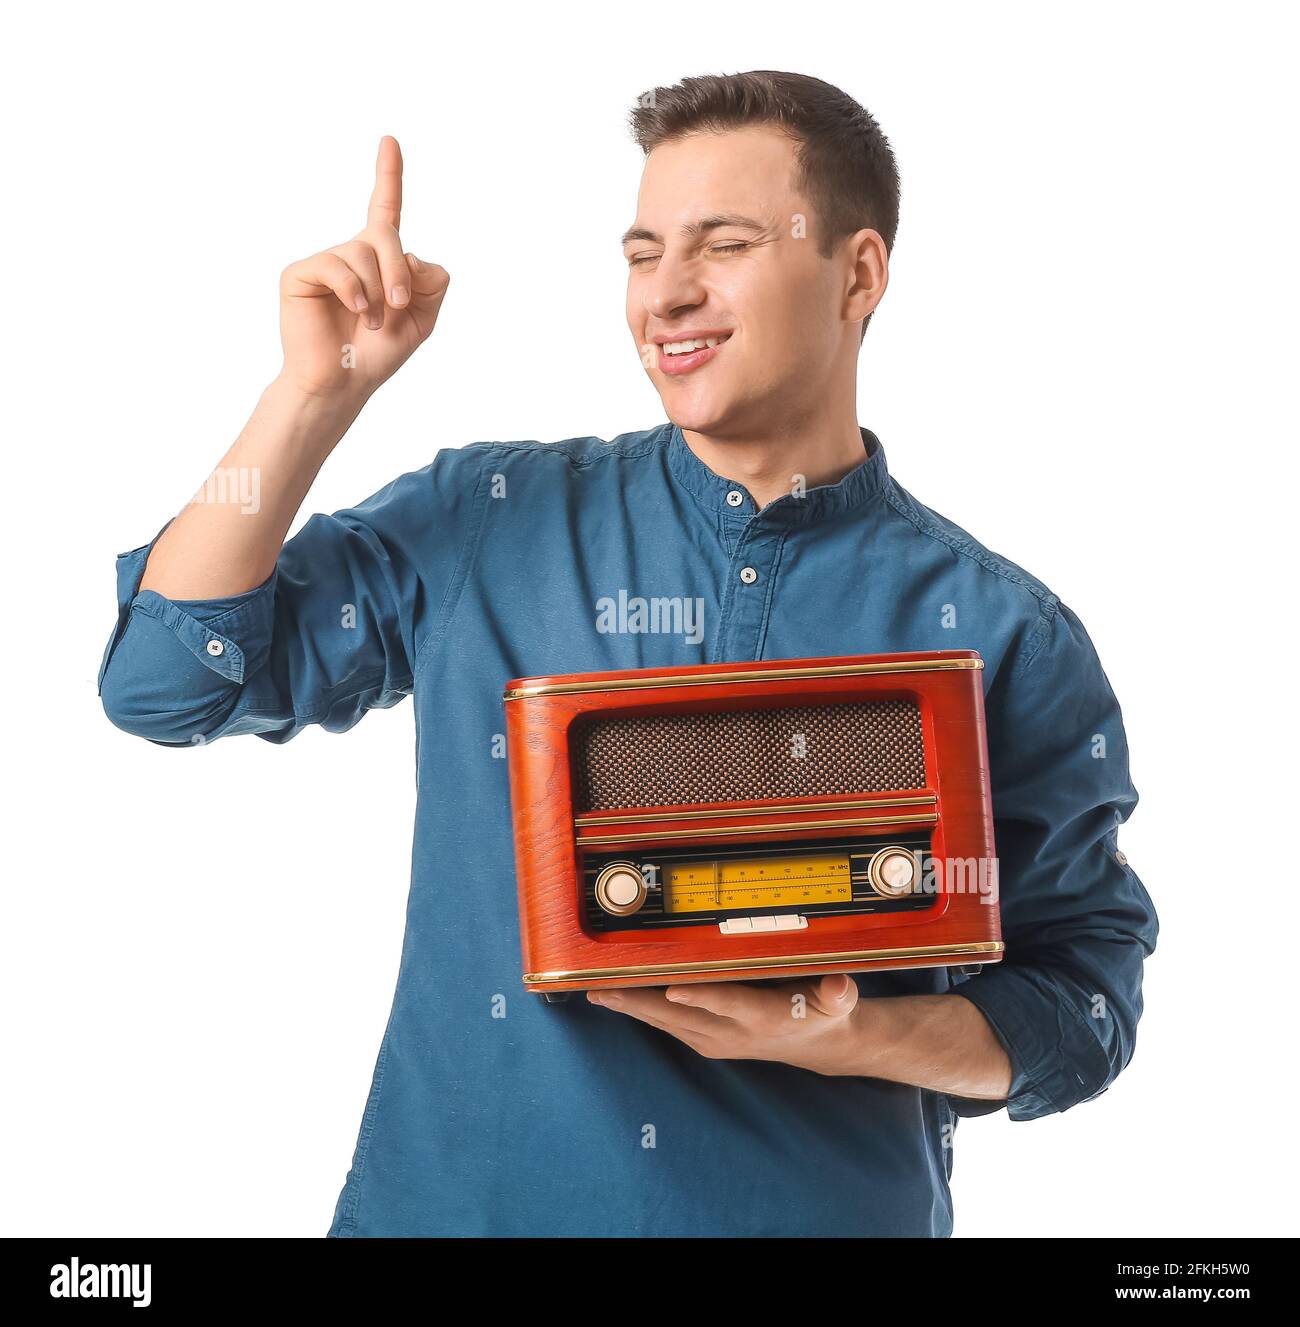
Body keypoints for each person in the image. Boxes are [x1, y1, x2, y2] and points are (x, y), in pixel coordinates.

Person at [98, 71, 1159, 1237]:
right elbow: (166, 684)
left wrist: (852, 1031)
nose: (668, 294)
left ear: (857, 273)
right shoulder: (488, 518)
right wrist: (308, 398)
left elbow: (1084, 1002)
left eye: (724, 244)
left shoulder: (1003, 630)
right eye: (642, 252)